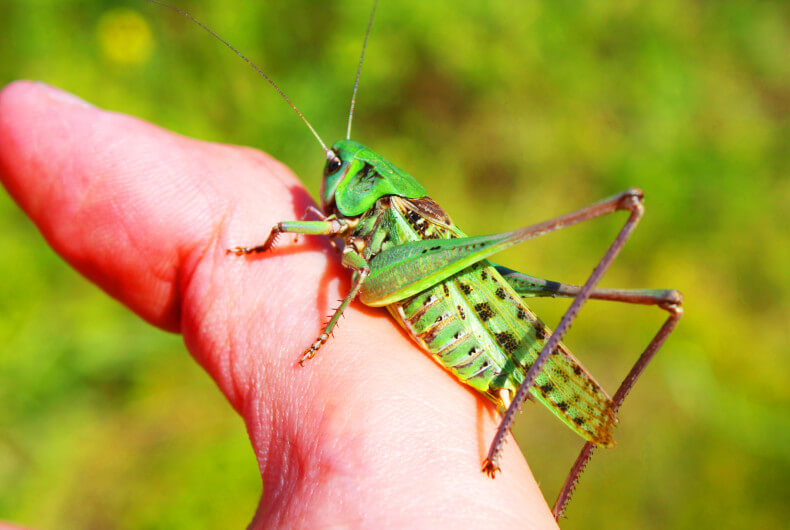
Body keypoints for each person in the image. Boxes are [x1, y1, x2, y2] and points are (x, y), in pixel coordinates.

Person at [0, 81, 557, 528]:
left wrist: (323, 330)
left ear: (364, 182)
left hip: (459, 321)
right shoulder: (364, 208)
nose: (329, 180)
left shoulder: (385, 210)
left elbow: (357, 271)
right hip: (438, 293)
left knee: (372, 274)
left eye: (339, 172)